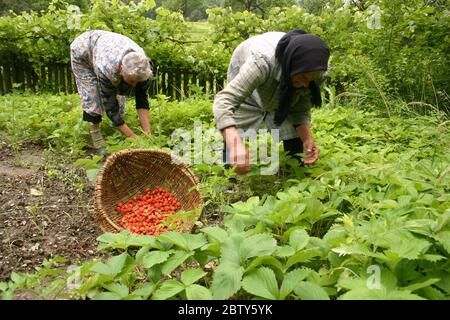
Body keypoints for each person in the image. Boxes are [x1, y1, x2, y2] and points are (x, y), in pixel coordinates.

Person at [213, 29, 330, 174]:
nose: (306, 84)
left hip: (284, 72)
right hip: (247, 63)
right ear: (292, 65)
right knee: (234, 126)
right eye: (304, 77)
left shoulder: (316, 72)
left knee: (290, 118)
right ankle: (228, 177)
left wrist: (307, 139)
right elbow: (225, 101)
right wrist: (235, 143)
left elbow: (300, 108)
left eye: (310, 79)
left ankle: (295, 170)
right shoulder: (261, 63)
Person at [70, 30, 153, 154]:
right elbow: (110, 106)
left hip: (105, 46)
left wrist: (147, 134)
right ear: (121, 69)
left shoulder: (143, 67)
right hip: (83, 51)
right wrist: (133, 137)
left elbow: (142, 99)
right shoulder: (108, 68)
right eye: (131, 81)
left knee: (121, 100)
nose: (134, 85)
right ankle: (96, 138)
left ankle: (118, 132)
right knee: (92, 95)